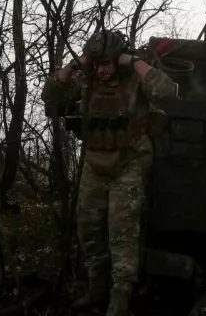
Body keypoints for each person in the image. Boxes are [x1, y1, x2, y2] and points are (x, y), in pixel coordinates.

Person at [43, 29, 178, 316]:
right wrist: (75, 65)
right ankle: (97, 290)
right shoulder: (87, 79)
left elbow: (167, 91)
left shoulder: (134, 78)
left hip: (129, 161)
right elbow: (50, 95)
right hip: (95, 162)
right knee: (88, 228)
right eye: (97, 64)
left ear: (118, 60)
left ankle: (121, 297)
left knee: (122, 232)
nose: (102, 71)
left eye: (107, 63)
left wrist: (135, 62)